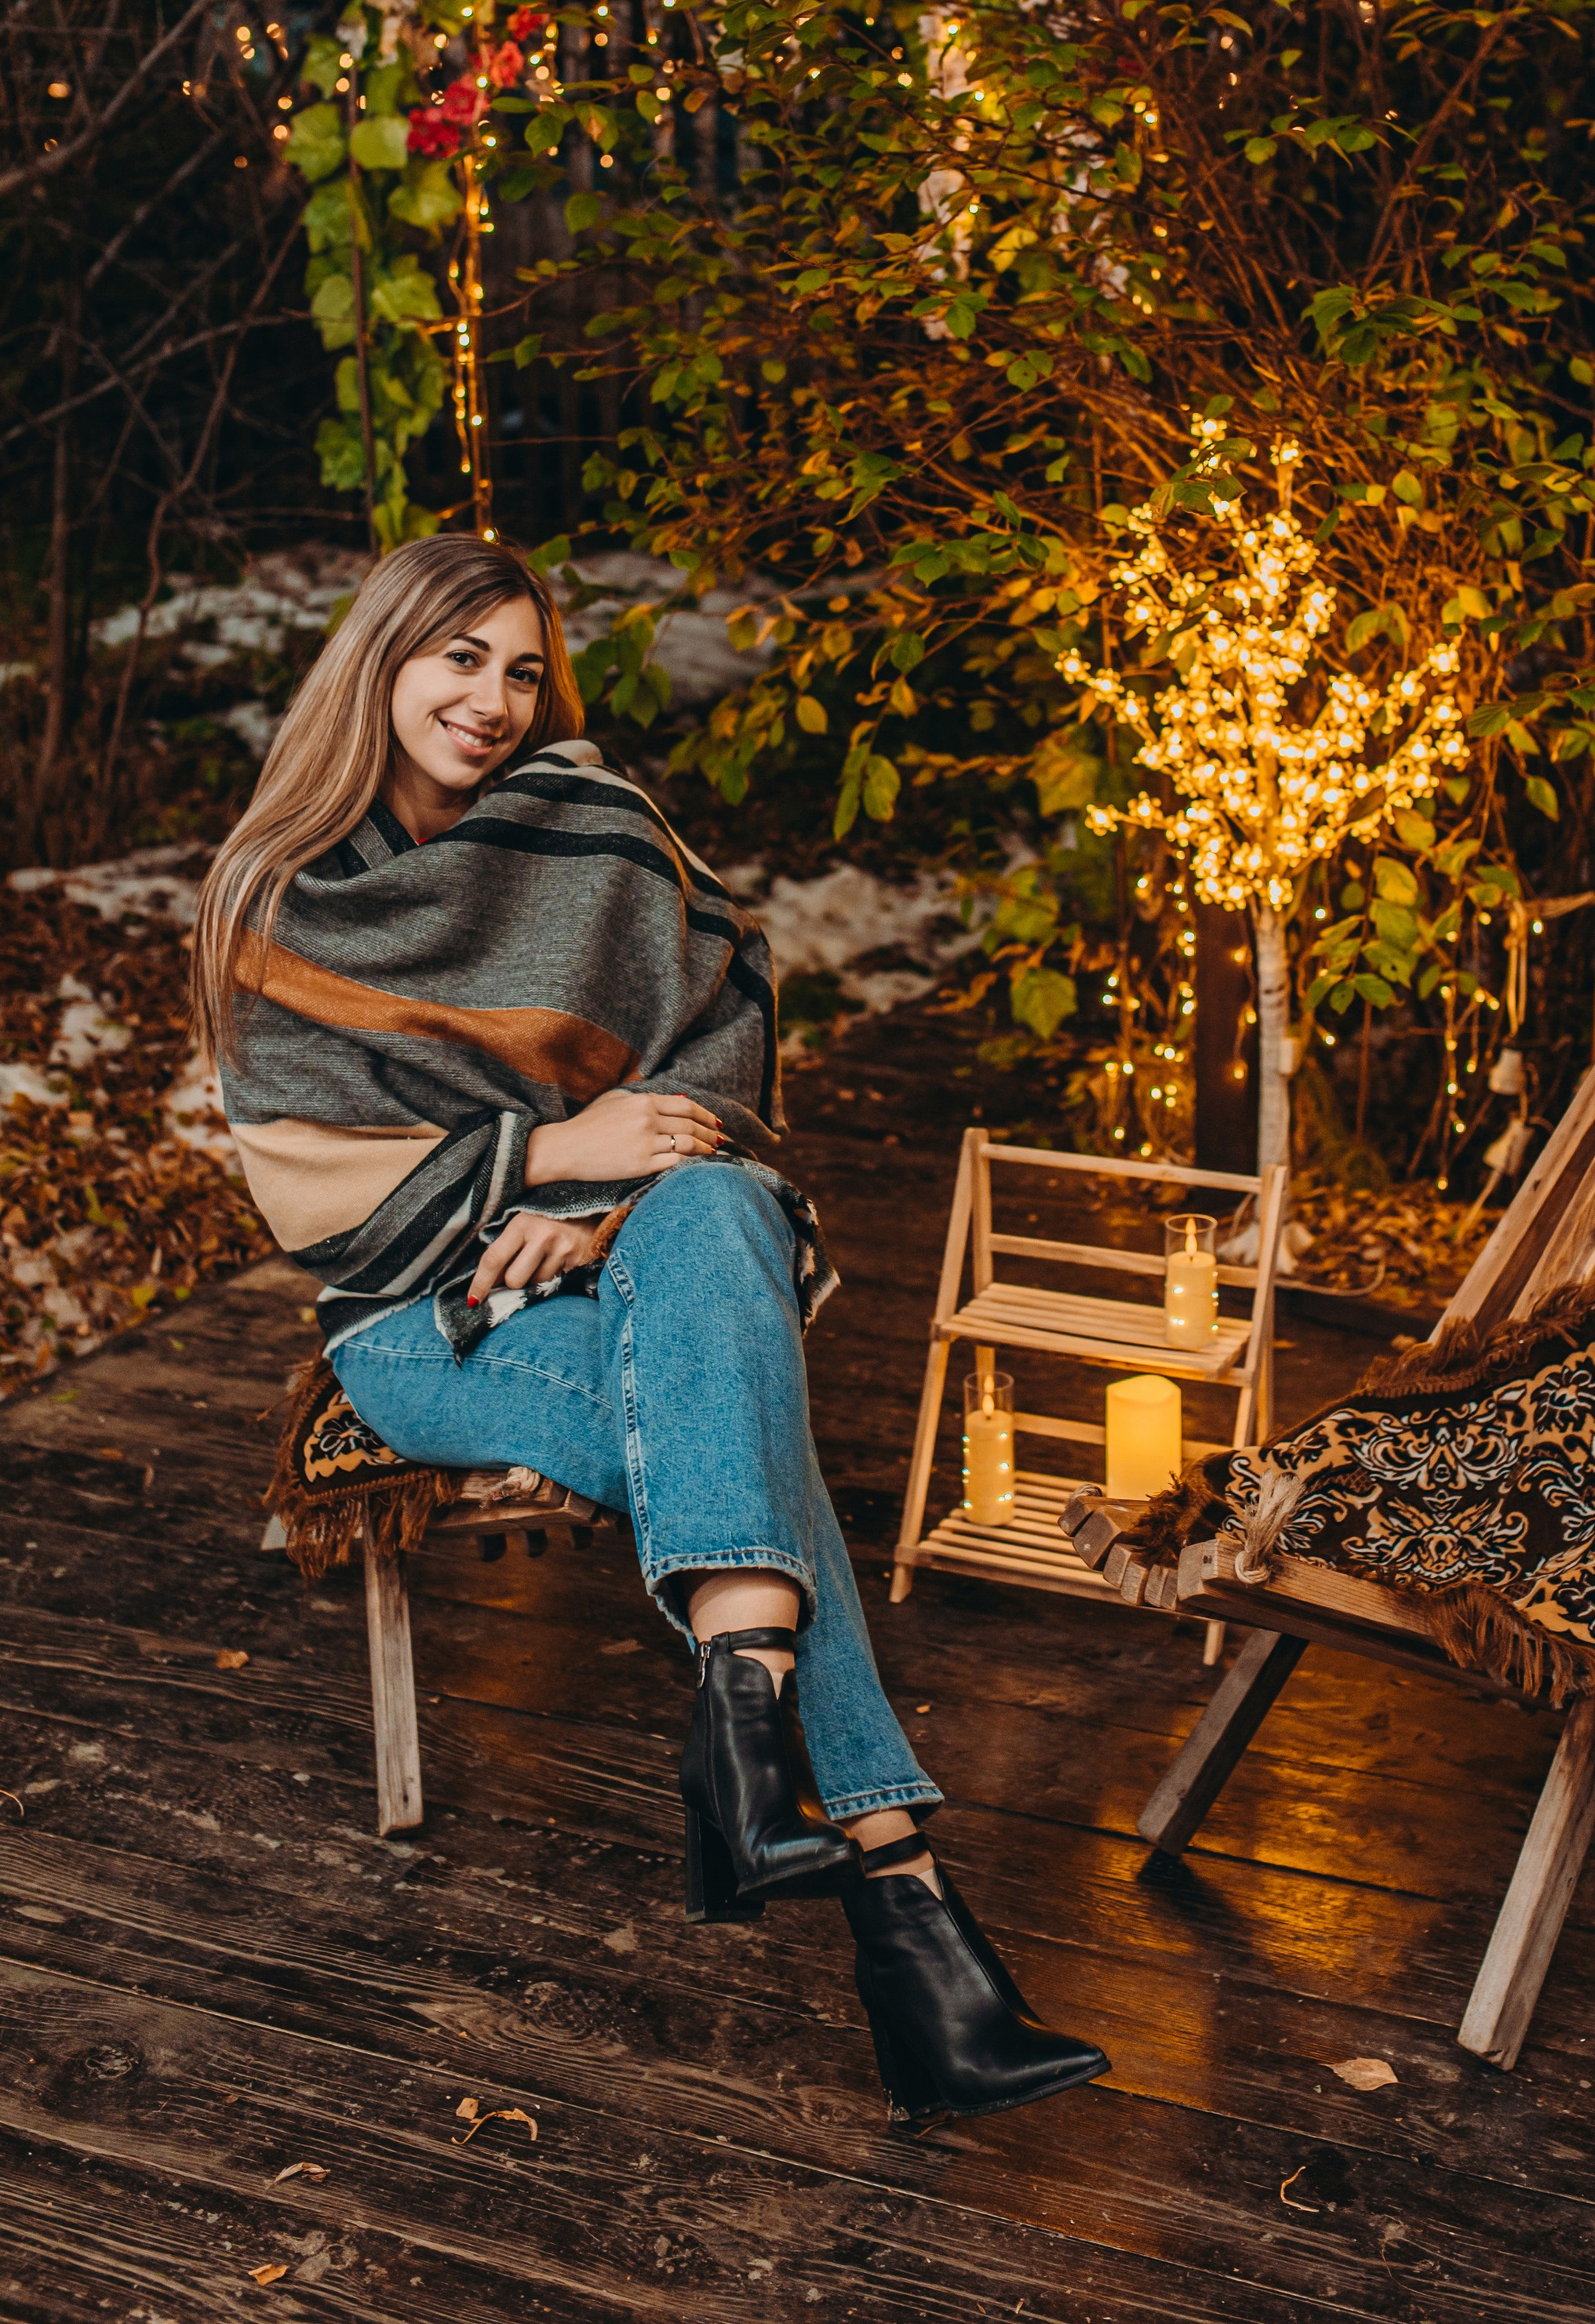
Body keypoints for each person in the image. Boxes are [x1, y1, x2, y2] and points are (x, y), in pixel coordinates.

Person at [188, 532, 1106, 2128]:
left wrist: (606, 1209)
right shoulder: (278, 894)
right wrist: (543, 1153)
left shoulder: (593, 831)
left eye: (522, 668)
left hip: (627, 1260)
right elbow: (306, 1195)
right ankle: (892, 1913)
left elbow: (713, 1063)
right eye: (456, 658)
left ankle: (748, 1726)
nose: (490, 699)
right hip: (427, 1324)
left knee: (712, 1217)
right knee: (732, 1424)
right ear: (381, 661)